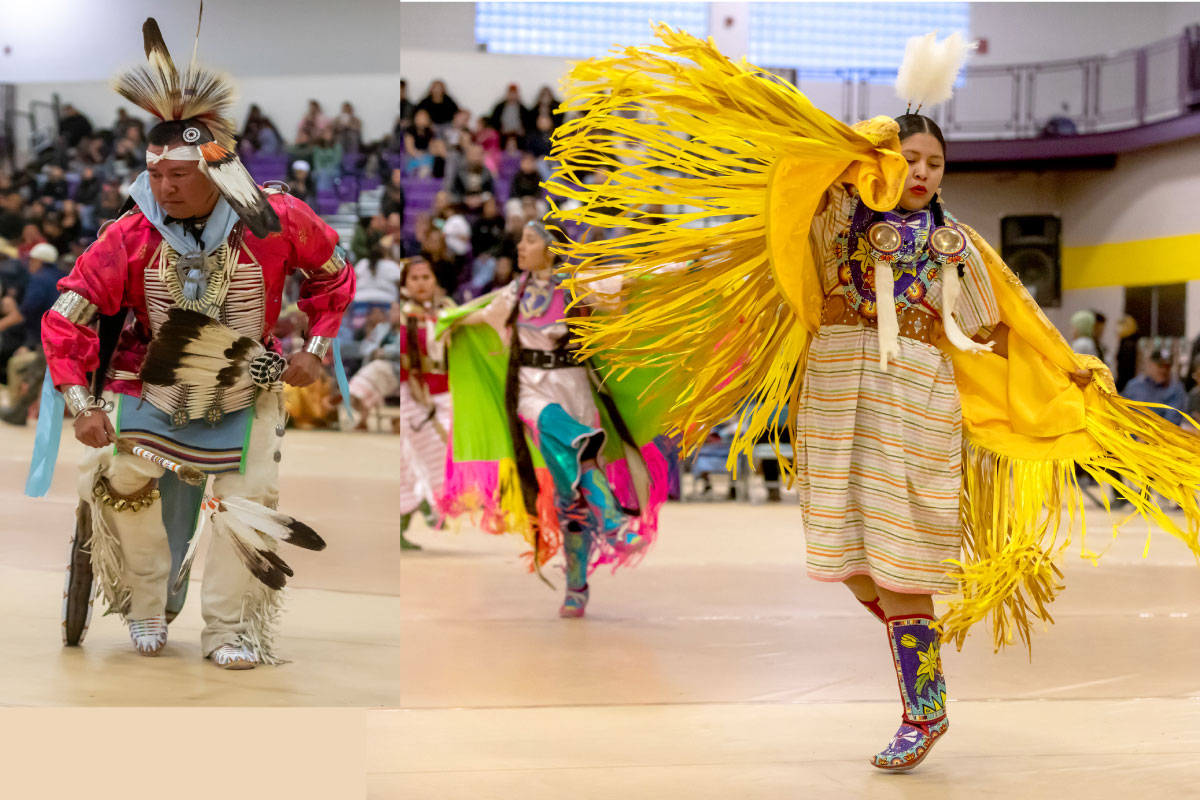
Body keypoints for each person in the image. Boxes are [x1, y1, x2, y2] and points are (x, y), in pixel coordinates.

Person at [550, 26, 1200, 771]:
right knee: (851, 561)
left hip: (916, 401)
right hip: (835, 394)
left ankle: (924, 707)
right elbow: (789, 190)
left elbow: (1001, 324)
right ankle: (918, 657)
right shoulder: (832, 219)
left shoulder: (957, 244)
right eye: (909, 158)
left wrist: (1062, 370)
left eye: (934, 163)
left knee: (902, 563)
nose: (921, 172)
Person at [29, 18, 355, 669]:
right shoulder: (128, 237)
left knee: (248, 499)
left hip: (248, 382)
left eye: (179, 175)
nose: (165, 188)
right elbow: (67, 318)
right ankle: (146, 604)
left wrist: (315, 348)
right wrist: (81, 404)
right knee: (120, 479)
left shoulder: (276, 220)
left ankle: (229, 630)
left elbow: (334, 274)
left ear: (216, 170)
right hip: (148, 380)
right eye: (155, 175)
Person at [439, 220, 670, 617]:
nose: (520, 247)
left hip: (574, 386)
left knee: (570, 495)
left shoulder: (578, 285)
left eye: (530, 241)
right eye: (521, 240)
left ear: (551, 248)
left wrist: (682, 267)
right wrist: (448, 322)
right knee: (560, 430)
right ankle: (613, 521)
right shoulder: (515, 293)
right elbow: (476, 317)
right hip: (530, 388)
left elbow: (631, 280)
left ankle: (576, 584)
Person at [349, 258, 454, 548]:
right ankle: (415, 512)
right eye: (414, 278)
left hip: (446, 392)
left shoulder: (448, 311)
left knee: (442, 454)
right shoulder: (406, 317)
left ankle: (428, 504)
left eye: (426, 277)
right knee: (412, 457)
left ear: (434, 280)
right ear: (405, 284)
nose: (421, 283)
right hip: (414, 395)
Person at [0, 242, 63, 424]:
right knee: (41, 373)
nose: (29, 263)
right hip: (62, 335)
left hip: (50, 336)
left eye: (32, 260)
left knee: (38, 375)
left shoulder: (39, 279)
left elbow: (26, 311)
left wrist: (2, 324)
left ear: (39, 261)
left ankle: (18, 413)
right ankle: (19, 412)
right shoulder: (60, 276)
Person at [1124, 344, 1186, 426]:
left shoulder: (1175, 389)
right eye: (1160, 366)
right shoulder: (1134, 385)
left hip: (1158, 432)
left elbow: (1171, 423)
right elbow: (1123, 412)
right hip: (1130, 430)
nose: (1164, 370)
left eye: (1167, 367)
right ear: (1150, 364)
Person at [447, 143, 496, 212]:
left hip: (483, 206)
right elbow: (454, 192)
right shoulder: (459, 172)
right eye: (473, 155)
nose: (475, 158)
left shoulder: (487, 172)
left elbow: (491, 191)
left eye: (478, 155)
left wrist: (481, 198)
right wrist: (465, 199)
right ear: (467, 156)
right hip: (462, 205)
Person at [354, 243, 404, 307]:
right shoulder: (391, 265)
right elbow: (399, 284)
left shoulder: (362, 263)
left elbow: (352, 281)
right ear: (385, 254)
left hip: (360, 300)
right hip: (386, 302)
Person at [489, 84, 532, 151]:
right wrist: (500, 130)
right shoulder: (499, 107)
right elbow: (493, 122)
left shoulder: (523, 109)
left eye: (514, 94)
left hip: (518, 136)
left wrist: (522, 131)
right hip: (503, 136)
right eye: (510, 93)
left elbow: (528, 123)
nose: (512, 96)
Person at [1115, 314, 1140, 391]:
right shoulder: (1132, 342)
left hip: (1125, 385)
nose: (1116, 330)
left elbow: (1125, 369)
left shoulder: (1127, 345)